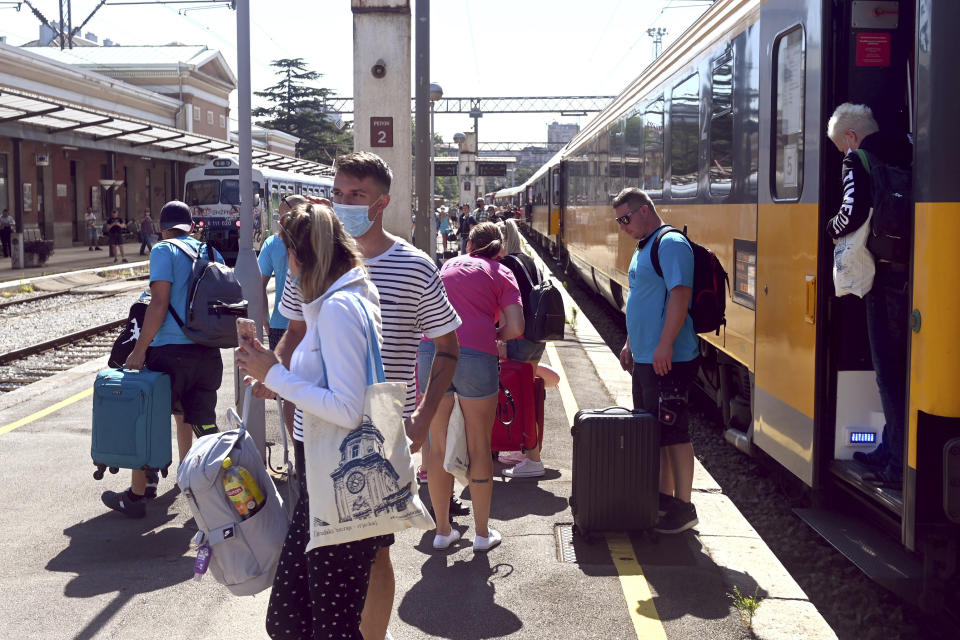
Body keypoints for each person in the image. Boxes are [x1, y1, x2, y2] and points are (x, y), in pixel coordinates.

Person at [263, 151, 462, 640]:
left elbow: (449, 350)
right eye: (339, 193)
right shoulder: (311, 259)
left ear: (382, 203)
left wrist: (419, 418)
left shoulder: (414, 267)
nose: (345, 203)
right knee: (321, 547)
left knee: (374, 551)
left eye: (358, 196)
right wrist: (281, 390)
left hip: (377, 430)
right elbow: (291, 332)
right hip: (316, 430)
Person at [235, 202, 388, 640]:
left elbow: (346, 408)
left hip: (337, 484)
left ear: (300, 258)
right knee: (290, 620)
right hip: (322, 481)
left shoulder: (340, 309)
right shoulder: (340, 299)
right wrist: (278, 379)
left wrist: (276, 374)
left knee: (330, 627)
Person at [102, 201, 224, 518]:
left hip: (171, 352)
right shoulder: (210, 252)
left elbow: (158, 303)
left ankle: (139, 493)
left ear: (161, 226)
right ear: (191, 225)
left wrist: (139, 350)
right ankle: (198, 485)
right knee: (194, 418)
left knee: (145, 416)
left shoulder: (163, 250)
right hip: (207, 353)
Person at [418, 222, 524, 552]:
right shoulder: (501, 271)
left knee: (437, 445)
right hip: (476, 354)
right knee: (479, 445)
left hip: (431, 351)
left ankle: (442, 531)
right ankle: (481, 534)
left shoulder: (447, 265)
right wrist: (494, 337)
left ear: (469, 246)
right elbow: (516, 326)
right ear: (500, 248)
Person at [826, 103, 912, 487]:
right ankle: (890, 448)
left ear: (850, 136)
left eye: (841, 146)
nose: (843, 153)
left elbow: (853, 212)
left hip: (882, 277)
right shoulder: (911, 147)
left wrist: (830, 227)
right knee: (901, 370)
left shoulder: (857, 159)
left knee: (888, 372)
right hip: (912, 272)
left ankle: (896, 464)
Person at [614, 187, 700, 535]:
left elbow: (680, 295)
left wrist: (664, 345)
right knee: (657, 431)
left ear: (644, 210)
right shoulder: (645, 248)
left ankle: (684, 505)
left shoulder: (670, 244)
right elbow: (643, 299)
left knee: (675, 431)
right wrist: (630, 343)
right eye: (619, 220)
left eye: (625, 218)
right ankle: (664, 499)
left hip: (670, 358)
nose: (622, 226)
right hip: (648, 357)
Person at [496, 218, 551, 478]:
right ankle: (529, 452)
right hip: (537, 337)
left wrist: (503, 341)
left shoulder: (507, 264)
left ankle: (531, 457)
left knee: (519, 398)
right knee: (527, 395)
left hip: (519, 338)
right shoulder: (529, 261)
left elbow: (510, 307)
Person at [259, 195, 306, 351]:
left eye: (281, 214)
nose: (279, 219)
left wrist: (265, 316)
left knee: (280, 372)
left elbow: (259, 285)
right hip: (310, 323)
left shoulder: (272, 243)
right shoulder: (319, 241)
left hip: (279, 324)